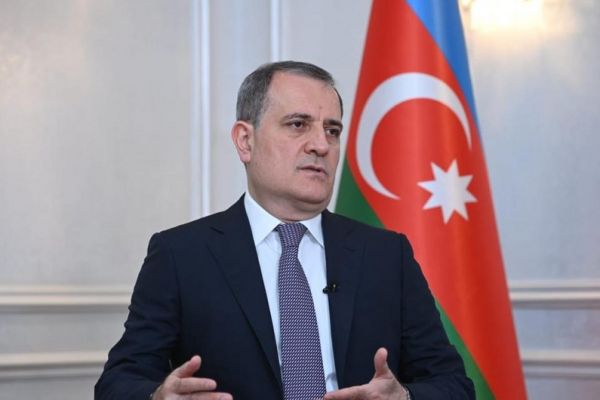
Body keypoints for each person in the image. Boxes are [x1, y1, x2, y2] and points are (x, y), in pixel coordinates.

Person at [95, 61, 474, 400]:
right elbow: (117, 383)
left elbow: (454, 385)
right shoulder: (181, 255)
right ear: (246, 141)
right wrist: (157, 397)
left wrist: (404, 398)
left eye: (332, 130)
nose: (321, 145)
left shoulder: (386, 255)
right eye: (298, 125)